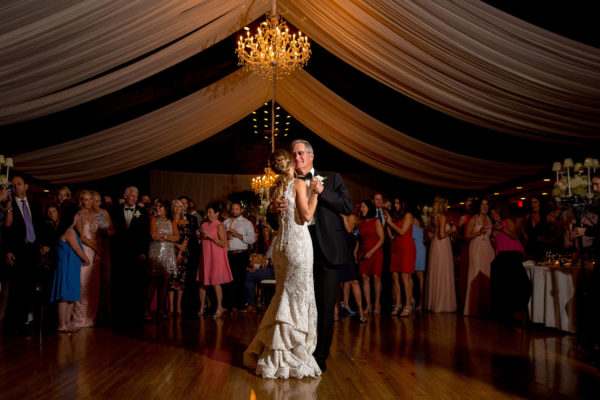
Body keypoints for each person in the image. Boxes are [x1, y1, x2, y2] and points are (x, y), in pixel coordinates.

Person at [265, 139, 353, 373]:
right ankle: (296, 350)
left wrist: (322, 192)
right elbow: (273, 218)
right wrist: (271, 211)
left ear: (311, 156)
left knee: (324, 305)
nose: (297, 157)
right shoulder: (285, 182)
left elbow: (347, 207)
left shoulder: (332, 178)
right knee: (296, 302)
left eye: (301, 153)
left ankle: (319, 355)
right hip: (297, 251)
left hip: (326, 251)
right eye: (294, 154)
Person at [244, 149, 321, 379]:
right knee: (298, 295)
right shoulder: (298, 183)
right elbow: (307, 216)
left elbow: (277, 218)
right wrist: (315, 195)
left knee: (284, 293)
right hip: (298, 245)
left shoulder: (275, 188)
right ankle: (292, 349)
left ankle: (278, 345)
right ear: (290, 164)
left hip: (281, 247)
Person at [3, 175, 50, 336]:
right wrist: (7, 250)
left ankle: (24, 322)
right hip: (17, 251)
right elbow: (5, 230)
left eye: (19, 184)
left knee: (30, 288)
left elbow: (40, 227)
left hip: (33, 250)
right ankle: (12, 325)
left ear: (26, 186)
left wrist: (44, 244)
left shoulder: (35, 205)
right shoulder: (8, 204)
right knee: (17, 288)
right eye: (14, 185)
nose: (16, 187)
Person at [110, 186, 149, 324]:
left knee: (136, 284)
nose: (134, 198)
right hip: (119, 253)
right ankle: (120, 314)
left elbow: (145, 234)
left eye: (136, 196)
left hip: (136, 253)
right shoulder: (115, 210)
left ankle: (135, 314)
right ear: (125, 196)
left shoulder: (142, 212)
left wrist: (143, 251)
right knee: (120, 283)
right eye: (132, 196)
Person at [50, 208, 90, 332]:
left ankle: (67, 323)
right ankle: (62, 323)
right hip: (67, 265)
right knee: (65, 295)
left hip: (72, 265)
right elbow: (77, 248)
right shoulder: (69, 231)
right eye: (77, 215)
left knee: (72, 294)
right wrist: (86, 259)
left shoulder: (70, 230)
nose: (78, 217)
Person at [197, 202, 233, 319]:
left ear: (217, 213)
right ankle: (202, 307)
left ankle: (219, 307)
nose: (208, 214)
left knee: (216, 282)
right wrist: (198, 236)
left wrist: (211, 237)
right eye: (208, 212)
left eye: (211, 212)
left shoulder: (219, 226)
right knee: (202, 283)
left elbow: (223, 243)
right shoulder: (204, 225)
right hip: (205, 256)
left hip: (216, 256)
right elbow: (200, 242)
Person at [145, 199, 179, 321]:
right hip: (156, 252)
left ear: (166, 208)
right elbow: (153, 235)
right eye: (157, 206)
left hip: (168, 253)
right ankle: (146, 310)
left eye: (160, 206)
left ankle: (160, 310)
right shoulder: (154, 220)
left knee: (165, 282)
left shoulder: (172, 221)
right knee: (153, 281)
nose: (158, 208)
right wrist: (169, 237)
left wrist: (163, 235)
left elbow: (177, 238)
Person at [72, 190, 101, 328]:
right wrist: (96, 249)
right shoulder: (78, 216)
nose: (89, 202)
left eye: (91, 199)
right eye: (86, 199)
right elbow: (82, 237)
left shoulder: (95, 216)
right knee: (82, 284)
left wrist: (98, 252)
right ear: (81, 201)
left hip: (95, 251)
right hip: (84, 250)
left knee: (93, 286)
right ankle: (80, 318)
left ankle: (90, 317)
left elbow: (98, 235)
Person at [463, 198, 495, 317]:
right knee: (475, 273)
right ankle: (474, 308)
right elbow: (466, 236)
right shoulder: (474, 218)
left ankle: (486, 308)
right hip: (476, 248)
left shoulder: (490, 219)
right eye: (482, 204)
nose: (485, 206)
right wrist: (479, 232)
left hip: (488, 249)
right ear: (479, 206)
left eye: (487, 204)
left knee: (488, 275)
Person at [426, 196, 457, 313]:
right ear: (443, 204)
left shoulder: (434, 217)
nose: (447, 206)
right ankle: (442, 303)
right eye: (446, 203)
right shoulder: (443, 217)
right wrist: (452, 230)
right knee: (443, 272)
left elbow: (431, 235)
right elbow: (442, 235)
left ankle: (435, 302)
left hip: (435, 245)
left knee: (437, 272)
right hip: (442, 245)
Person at [386, 198, 416, 317]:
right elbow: (391, 235)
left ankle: (408, 304)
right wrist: (388, 223)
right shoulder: (396, 216)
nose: (395, 205)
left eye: (398, 203)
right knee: (394, 276)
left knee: (404, 276)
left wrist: (391, 223)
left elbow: (402, 231)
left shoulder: (408, 215)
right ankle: (398, 304)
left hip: (406, 247)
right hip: (396, 246)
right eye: (395, 203)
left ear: (403, 204)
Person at [223, 202, 255, 313]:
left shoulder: (247, 223)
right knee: (228, 281)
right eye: (232, 209)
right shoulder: (225, 222)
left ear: (241, 210)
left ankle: (239, 305)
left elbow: (252, 239)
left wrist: (238, 235)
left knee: (240, 281)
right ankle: (229, 305)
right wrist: (226, 236)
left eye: (237, 209)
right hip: (228, 254)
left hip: (241, 254)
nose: (234, 211)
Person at [356, 200, 385, 315]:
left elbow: (382, 239)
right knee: (364, 277)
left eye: (363, 207)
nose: (361, 209)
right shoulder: (360, 222)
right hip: (363, 251)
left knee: (376, 278)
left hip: (375, 251)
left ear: (369, 208)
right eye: (361, 207)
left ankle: (377, 303)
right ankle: (368, 304)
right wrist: (355, 252)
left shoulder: (376, 221)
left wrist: (371, 252)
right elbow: (359, 239)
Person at [337, 213, 366, 322]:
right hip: (339, 254)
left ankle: (360, 310)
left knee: (354, 281)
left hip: (349, 255)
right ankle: (336, 310)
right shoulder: (338, 216)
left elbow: (351, 232)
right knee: (337, 284)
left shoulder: (350, 216)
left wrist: (354, 252)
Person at [92, 191, 114, 324]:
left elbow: (112, 230)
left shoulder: (104, 213)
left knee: (106, 280)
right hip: (91, 247)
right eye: (96, 201)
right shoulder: (86, 214)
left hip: (105, 247)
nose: (99, 203)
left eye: (100, 200)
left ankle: (105, 315)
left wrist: (107, 231)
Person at [169, 199, 189, 316]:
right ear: (172, 208)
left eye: (180, 207)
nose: (177, 209)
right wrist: (176, 246)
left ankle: (178, 306)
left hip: (182, 252)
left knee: (181, 279)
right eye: (175, 206)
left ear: (182, 209)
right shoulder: (169, 221)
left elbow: (186, 239)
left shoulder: (185, 222)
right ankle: (171, 306)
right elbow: (167, 237)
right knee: (171, 279)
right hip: (169, 250)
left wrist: (180, 252)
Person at [412, 210, 427, 312]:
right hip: (417, 247)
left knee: (418, 275)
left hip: (417, 248)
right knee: (417, 275)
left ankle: (420, 302)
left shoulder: (411, 219)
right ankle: (417, 301)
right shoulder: (420, 221)